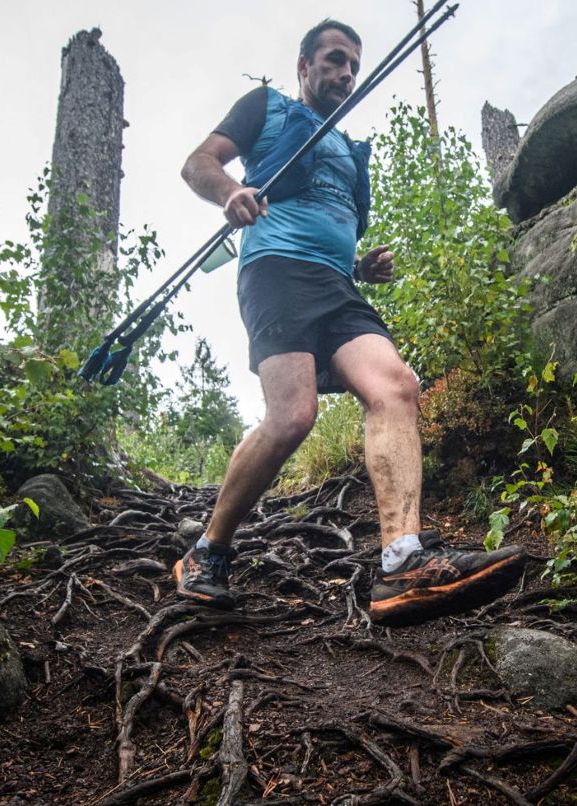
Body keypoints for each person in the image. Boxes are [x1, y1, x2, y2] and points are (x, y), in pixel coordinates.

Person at [174, 18, 524, 626]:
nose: (346, 74)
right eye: (335, 60)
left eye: (354, 66)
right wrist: (230, 190)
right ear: (304, 66)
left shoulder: (350, 155)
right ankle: (207, 551)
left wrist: (362, 266)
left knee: (397, 387)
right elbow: (197, 162)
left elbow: (335, 232)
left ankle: (402, 564)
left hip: (336, 288)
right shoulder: (267, 107)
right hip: (276, 273)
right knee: (292, 419)